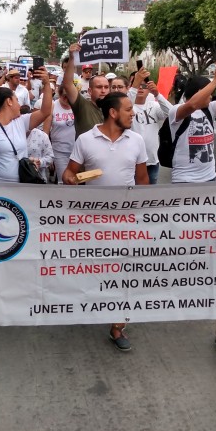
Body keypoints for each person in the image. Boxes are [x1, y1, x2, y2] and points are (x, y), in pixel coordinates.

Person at [63, 92, 149, 351]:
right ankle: (89, 304)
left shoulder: (137, 141)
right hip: (93, 221)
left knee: (124, 272)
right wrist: (69, 178)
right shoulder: (85, 140)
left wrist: (143, 214)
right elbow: (71, 171)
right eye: (128, 109)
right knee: (94, 268)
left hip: (126, 221)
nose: (132, 113)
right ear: (113, 113)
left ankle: (117, 325)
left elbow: (143, 179)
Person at [0, 69, 53, 183]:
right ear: (9, 102)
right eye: (16, 100)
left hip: (21, 187)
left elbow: (45, 111)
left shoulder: (21, 122)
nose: (20, 104)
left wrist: (46, 84)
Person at [168, 61, 216, 183]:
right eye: (209, 93)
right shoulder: (176, 110)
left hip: (209, 177)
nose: (211, 97)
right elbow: (192, 105)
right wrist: (215, 81)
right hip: (185, 180)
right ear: (199, 92)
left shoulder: (210, 109)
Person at [128, 67, 174, 185]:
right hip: (131, 161)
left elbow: (171, 113)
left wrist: (157, 94)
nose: (140, 88)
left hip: (152, 161)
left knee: (149, 196)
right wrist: (135, 84)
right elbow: (122, 107)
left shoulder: (153, 106)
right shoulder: (127, 107)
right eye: (137, 84)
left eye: (144, 86)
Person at [60, 43, 110, 137]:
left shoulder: (113, 108)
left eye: (106, 87)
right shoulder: (82, 106)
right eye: (99, 87)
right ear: (90, 91)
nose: (103, 90)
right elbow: (68, 84)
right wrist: (72, 58)